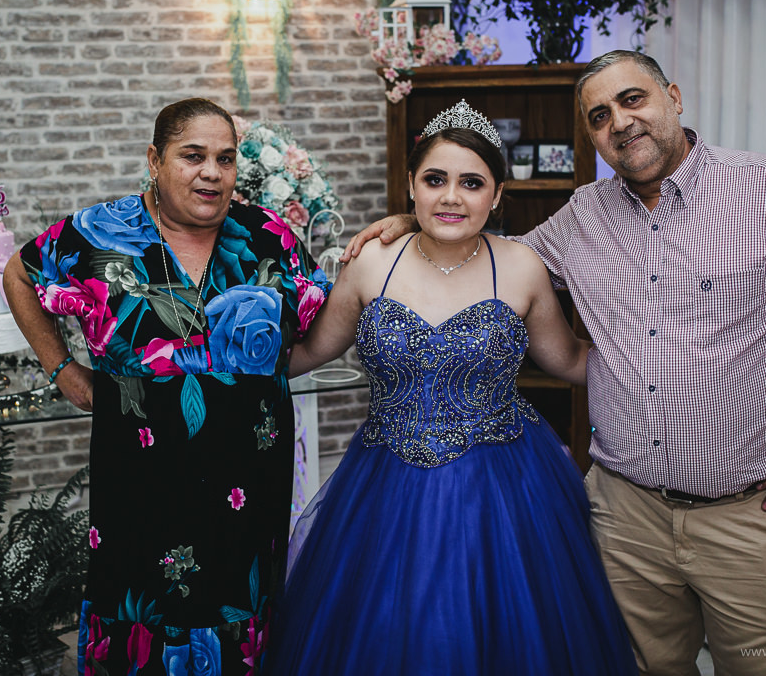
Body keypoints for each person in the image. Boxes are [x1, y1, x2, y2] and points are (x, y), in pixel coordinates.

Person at [343, 51, 766, 675]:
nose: (620, 122)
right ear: (591, 136)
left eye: (633, 100)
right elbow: (489, 263)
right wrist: (423, 222)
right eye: (599, 115)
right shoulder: (584, 215)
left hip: (749, 516)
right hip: (623, 516)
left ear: (673, 96)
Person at [267, 101, 638, 675]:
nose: (451, 197)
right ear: (411, 188)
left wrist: (665, 360)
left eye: (472, 183)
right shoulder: (372, 262)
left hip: (507, 483)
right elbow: (312, 352)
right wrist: (219, 358)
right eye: (435, 180)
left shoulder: (521, 266)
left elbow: (567, 360)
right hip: (385, 480)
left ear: (496, 196)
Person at [4, 97, 330, 676]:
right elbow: (20, 273)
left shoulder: (268, 237)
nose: (212, 172)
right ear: (155, 160)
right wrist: (63, 371)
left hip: (248, 489)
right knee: (142, 617)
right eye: (193, 155)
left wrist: (401, 233)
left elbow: (317, 320)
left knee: (242, 614)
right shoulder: (100, 233)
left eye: (225, 159)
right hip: (141, 489)